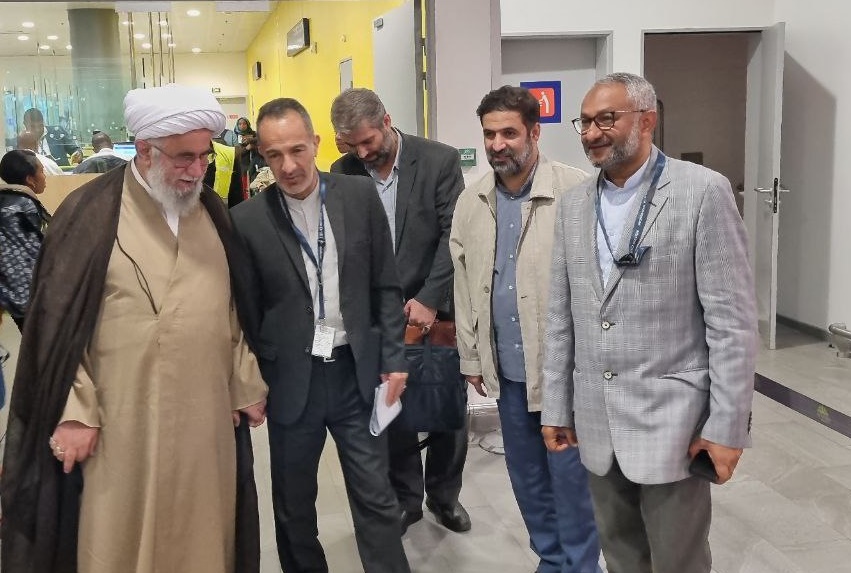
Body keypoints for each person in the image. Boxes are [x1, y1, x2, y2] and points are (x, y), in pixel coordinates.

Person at [1, 84, 269, 573]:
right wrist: (74, 412)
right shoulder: (89, 213)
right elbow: (56, 325)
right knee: (117, 537)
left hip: (205, 420)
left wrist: (245, 382)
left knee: (204, 536)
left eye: (204, 156)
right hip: (121, 420)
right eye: (184, 157)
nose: (197, 170)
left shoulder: (211, 212)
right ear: (145, 150)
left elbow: (231, 310)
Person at [541, 72, 758, 573]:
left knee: (678, 559)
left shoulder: (702, 191)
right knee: (619, 553)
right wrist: (557, 405)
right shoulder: (574, 205)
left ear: (647, 120)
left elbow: (732, 324)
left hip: (673, 421)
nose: (591, 133)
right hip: (596, 418)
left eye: (606, 119)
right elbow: (560, 316)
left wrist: (726, 427)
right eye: (584, 122)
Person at [230, 97, 411, 573]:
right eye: (274, 155)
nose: (288, 166)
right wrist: (250, 380)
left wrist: (394, 359)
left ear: (315, 143)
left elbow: (385, 285)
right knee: (293, 507)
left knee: (376, 497)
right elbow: (245, 312)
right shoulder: (247, 221)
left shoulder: (358, 196)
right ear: (261, 155)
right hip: (292, 381)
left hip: (356, 374)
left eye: (296, 150)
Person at [450, 85, 601, 573]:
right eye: (489, 134)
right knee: (527, 476)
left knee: (571, 478)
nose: (497, 145)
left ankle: (581, 566)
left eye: (509, 133)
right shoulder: (472, 200)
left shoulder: (578, 191)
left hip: (565, 372)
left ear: (535, 133)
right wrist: (472, 356)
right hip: (508, 370)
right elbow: (464, 284)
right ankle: (551, 559)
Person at [330, 87, 469, 535]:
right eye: (351, 145)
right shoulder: (344, 170)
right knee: (393, 408)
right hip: (380, 315)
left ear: (387, 121)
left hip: (434, 310)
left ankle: (444, 497)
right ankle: (407, 499)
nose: (362, 153)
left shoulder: (438, 161)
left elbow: (453, 235)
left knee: (445, 405)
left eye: (368, 141)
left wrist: (429, 297)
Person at [0, 149, 51, 331]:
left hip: (9, 291)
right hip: (25, 295)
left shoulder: (7, 200)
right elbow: (32, 253)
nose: (45, 176)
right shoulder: (24, 206)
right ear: (30, 179)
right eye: (42, 171)